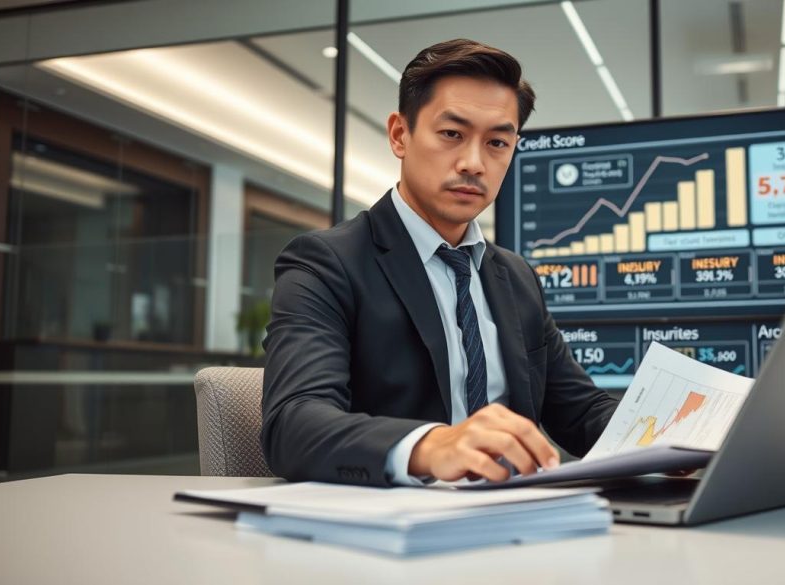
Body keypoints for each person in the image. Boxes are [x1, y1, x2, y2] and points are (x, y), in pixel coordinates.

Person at [261, 38, 618, 487]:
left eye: (497, 143)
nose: (474, 163)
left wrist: (680, 438)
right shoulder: (326, 263)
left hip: (521, 519)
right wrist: (431, 446)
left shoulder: (516, 276)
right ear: (399, 135)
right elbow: (293, 425)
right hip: (392, 531)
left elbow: (581, 411)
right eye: (452, 134)